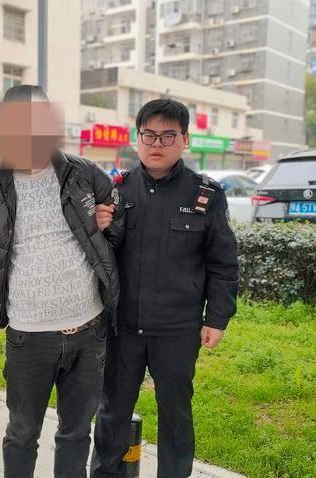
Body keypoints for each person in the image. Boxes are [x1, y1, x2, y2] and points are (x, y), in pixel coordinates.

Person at [0, 84, 122, 478]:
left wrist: (109, 222)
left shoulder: (84, 173)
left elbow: (120, 226)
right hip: (29, 336)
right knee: (22, 432)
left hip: (89, 331)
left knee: (76, 432)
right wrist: (18, 283)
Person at [92, 99, 239, 478]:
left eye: (168, 135)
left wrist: (217, 318)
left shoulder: (205, 195)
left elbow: (222, 263)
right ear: (137, 138)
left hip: (177, 328)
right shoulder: (115, 191)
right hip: (123, 326)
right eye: (149, 135)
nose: (157, 144)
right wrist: (99, 228)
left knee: (175, 413)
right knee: (112, 411)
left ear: (185, 140)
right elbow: (98, 257)